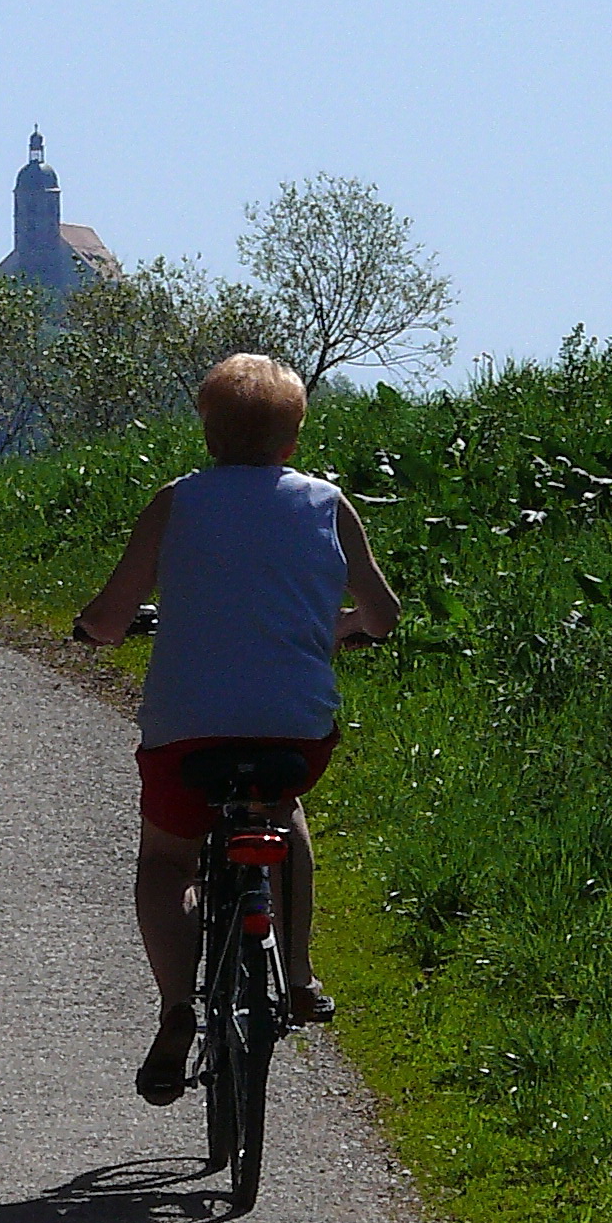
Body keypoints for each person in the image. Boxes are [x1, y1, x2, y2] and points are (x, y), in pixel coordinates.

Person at [72, 351, 399, 1109]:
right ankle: (303, 973)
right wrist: (340, 629)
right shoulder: (328, 504)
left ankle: (178, 1008)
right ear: (293, 439)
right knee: (283, 811)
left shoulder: (177, 502)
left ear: (209, 434)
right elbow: (383, 616)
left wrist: (95, 631)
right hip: (294, 730)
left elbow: (112, 616)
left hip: (188, 732)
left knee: (166, 859)